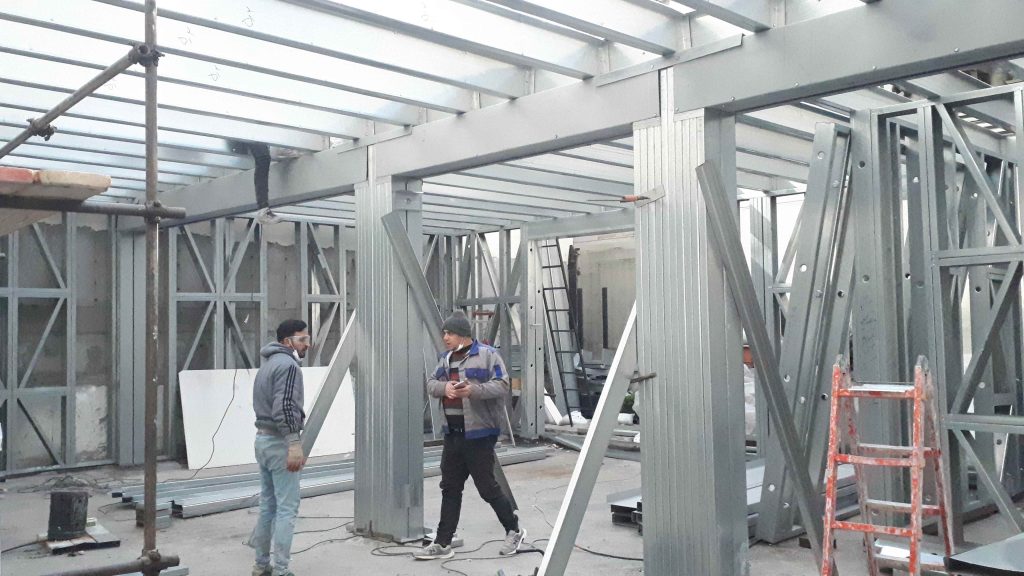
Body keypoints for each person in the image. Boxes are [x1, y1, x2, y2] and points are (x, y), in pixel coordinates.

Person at [415, 310, 526, 561]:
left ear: (463, 335)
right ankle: (443, 542)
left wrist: (472, 391)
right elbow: (431, 383)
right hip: (453, 435)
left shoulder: (487, 355)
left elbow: (502, 384)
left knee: (487, 487)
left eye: (449, 333)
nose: (445, 337)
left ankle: (514, 530)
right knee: (450, 488)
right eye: (444, 333)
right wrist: (445, 387)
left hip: (479, 435)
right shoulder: (445, 360)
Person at [249, 319, 311, 576]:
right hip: (278, 443)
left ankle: (261, 565)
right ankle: (282, 570)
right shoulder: (288, 366)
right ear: (288, 342)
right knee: (286, 509)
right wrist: (293, 443)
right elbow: (284, 406)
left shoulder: (267, 366)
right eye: (302, 339)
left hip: (262, 441)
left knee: (268, 506)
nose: (307, 344)